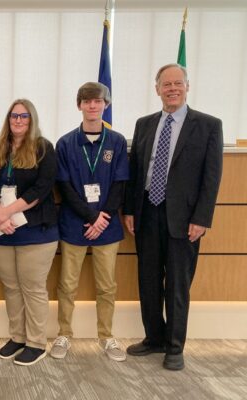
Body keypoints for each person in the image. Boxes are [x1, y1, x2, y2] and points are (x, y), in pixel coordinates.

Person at [123, 64, 223, 371]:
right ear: (157, 90)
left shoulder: (207, 125)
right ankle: (154, 338)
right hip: (147, 214)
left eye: (178, 83)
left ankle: (175, 346)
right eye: (166, 84)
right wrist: (129, 209)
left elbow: (212, 176)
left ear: (187, 87)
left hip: (184, 219)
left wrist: (202, 218)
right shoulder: (144, 124)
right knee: (149, 281)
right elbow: (136, 171)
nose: (172, 89)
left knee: (178, 285)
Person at [50, 82, 128, 362]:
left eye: (98, 101)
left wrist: (102, 218)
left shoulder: (117, 142)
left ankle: (106, 337)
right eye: (87, 101)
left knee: (107, 285)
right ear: (79, 105)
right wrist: (91, 217)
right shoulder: (65, 143)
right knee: (67, 284)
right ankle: (63, 334)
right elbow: (64, 187)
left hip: (107, 226)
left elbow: (119, 184)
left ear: (106, 105)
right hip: (75, 224)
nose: (93, 106)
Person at [0, 99, 58, 366]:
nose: (18, 121)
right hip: (0, 230)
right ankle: (17, 337)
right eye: (14, 116)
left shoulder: (43, 148)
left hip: (36, 229)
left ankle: (36, 342)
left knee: (33, 288)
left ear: (31, 119)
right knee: (12, 287)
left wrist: (9, 210)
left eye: (23, 116)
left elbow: (42, 187)